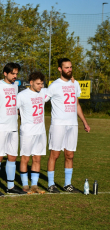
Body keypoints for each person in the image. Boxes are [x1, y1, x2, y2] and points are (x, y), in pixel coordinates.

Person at [45, 58, 90, 193]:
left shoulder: (75, 84)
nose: (69, 70)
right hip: (58, 124)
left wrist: (84, 122)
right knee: (55, 154)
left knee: (70, 155)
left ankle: (67, 184)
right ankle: (51, 184)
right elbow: (42, 100)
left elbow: (76, 105)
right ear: (60, 69)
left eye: (70, 67)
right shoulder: (54, 85)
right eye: (66, 68)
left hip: (72, 124)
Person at [0, 63, 26, 196]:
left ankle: (10, 186)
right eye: (13, 74)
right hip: (0, 125)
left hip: (13, 126)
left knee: (12, 156)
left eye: (16, 74)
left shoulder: (15, 86)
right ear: (5, 73)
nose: (15, 76)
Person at [17, 71, 47, 194]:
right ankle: (25, 186)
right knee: (25, 159)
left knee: (37, 159)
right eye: (38, 84)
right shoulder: (22, 95)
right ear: (31, 83)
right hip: (27, 131)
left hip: (40, 132)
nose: (41, 86)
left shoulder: (44, 92)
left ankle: (34, 185)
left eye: (42, 84)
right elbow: (13, 110)